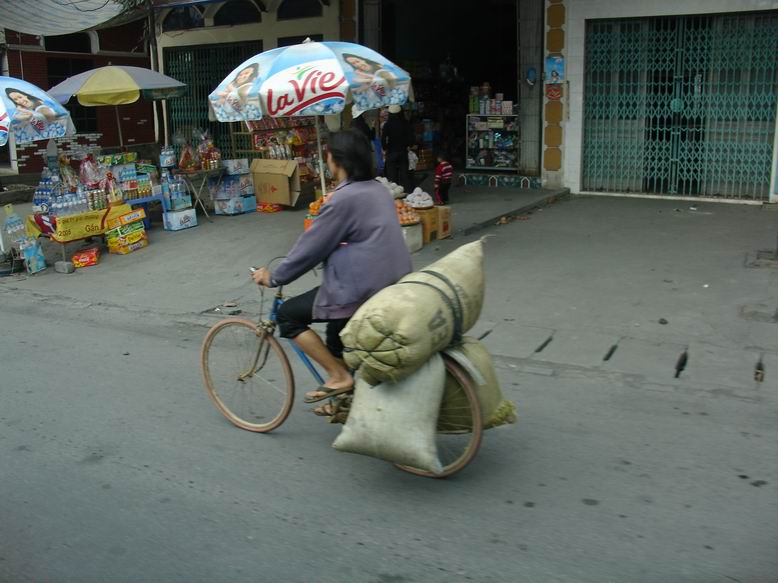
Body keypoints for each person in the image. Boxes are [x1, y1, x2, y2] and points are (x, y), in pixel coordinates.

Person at [252, 130, 412, 416]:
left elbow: (310, 248)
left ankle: (339, 377)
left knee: (288, 315)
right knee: (335, 336)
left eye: (327, 154)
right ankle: (343, 401)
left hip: (359, 287)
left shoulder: (343, 199)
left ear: (336, 160)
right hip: (393, 281)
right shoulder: (377, 189)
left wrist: (274, 277)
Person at [382, 105, 413, 192]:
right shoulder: (405, 123)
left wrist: (385, 148)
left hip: (391, 153)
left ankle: (395, 196)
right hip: (403, 152)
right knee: (405, 176)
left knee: (392, 177)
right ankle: (407, 195)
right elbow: (411, 139)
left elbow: (383, 140)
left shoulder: (387, 125)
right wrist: (408, 145)